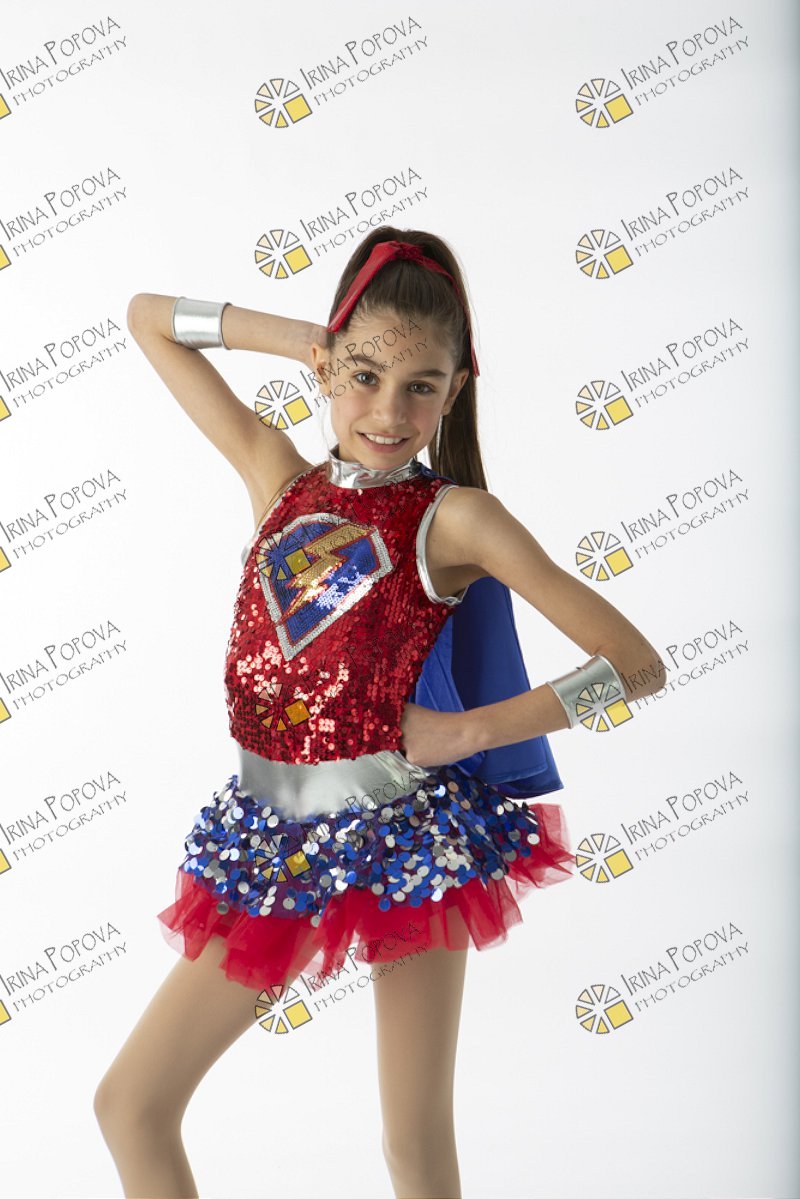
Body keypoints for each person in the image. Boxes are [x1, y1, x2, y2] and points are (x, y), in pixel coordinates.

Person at [93, 227, 667, 1199]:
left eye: (420, 386)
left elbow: (634, 662)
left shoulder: (456, 519)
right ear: (326, 367)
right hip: (272, 834)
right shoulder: (276, 477)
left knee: (412, 1141)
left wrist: (465, 731)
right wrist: (307, 340)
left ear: (455, 389)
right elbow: (148, 320)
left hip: (408, 840)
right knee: (132, 1104)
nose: (389, 411)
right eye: (363, 376)